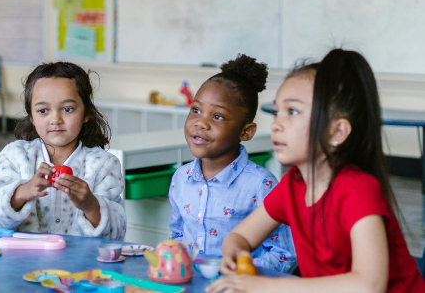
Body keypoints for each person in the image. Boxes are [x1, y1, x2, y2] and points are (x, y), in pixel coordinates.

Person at [208, 49, 425, 293]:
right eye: (277, 112)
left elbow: (369, 285)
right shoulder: (292, 185)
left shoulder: (357, 190)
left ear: (336, 132)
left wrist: (268, 286)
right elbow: (240, 237)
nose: (276, 124)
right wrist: (235, 254)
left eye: (292, 111)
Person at [168, 54, 296, 272]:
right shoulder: (181, 178)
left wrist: (237, 273)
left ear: (246, 132)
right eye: (196, 110)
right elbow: (179, 236)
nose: (201, 123)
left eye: (217, 116)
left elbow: (283, 255)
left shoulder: (260, 185)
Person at [0, 61, 125, 240]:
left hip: (81, 259)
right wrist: (22, 192)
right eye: (43, 110)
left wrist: (91, 206)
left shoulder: (104, 165)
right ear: (31, 117)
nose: (55, 119)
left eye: (67, 109)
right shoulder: (15, 156)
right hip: (23, 257)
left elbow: (117, 234)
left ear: (86, 113)